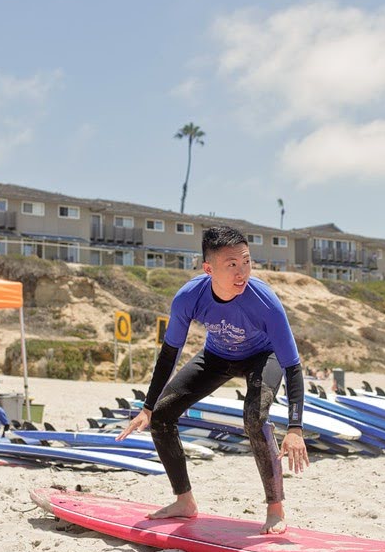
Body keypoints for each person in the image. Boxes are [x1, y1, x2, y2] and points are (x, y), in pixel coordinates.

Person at [118, 225, 309, 534]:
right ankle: (185, 501)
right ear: (209, 269)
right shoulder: (189, 297)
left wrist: (296, 427)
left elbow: (293, 366)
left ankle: (275, 508)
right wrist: (148, 406)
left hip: (264, 357)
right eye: (231, 264)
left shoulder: (266, 302)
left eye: (246, 261)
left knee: (254, 417)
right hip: (217, 356)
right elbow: (170, 354)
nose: (241, 271)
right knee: (163, 416)